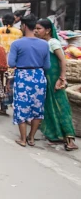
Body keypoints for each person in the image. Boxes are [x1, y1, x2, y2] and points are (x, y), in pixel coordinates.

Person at [35, 19, 78, 151]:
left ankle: (70, 139)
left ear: (47, 30)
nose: (36, 31)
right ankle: (56, 134)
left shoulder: (53, 43)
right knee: (49, 106)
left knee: (61, 107)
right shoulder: (43, 43)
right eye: (35, 29)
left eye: (39, 28)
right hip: (46, 80)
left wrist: (62, 78)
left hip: (55, 80)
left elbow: (62, 60)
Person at [8, 14, 50, 147]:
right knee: (37, 108)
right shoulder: (44, 44)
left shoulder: (17, 43)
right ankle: (31, 137)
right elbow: (47, 65)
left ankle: (23, 139)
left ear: (24, 26)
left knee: (21, 107)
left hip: (23, 76)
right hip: (39, 76)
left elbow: (11, 63)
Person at [0, 13, 23, 116]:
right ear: (14, 21)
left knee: (2, 85)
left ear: (3, 20)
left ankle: (3, 107)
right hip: (14, 61)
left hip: (1, 60)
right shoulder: (19, 32)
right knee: (11, 85)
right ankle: (13, 104)